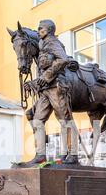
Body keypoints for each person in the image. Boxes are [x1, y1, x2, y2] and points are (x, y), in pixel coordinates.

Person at [23, 20, 79, 166]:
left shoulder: (53, 42)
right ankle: (40, 155)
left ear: (47, 30)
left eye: (40, 28)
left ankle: (73, 154)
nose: (38, 29)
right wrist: (35, 83)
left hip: (56, 86)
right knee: (37, 119)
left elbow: (63, 59)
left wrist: (46, 76)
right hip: (46, 90)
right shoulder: (42, 45)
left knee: (64, 119)